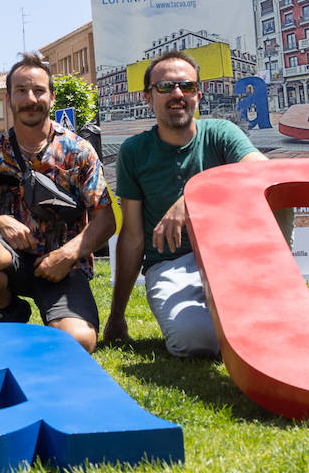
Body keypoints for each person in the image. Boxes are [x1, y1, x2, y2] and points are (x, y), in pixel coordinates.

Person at [103, 51, 274, 358]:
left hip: (227, 261)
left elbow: (263, 173)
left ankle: (274, 296)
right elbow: (131, 236)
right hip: (169, 265)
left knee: (275, 199)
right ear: (148, 97)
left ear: (199, 94)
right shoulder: (134, 151)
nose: (178, 94)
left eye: (187, 86)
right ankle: (247, 320)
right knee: (194, 342)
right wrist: (117, 316)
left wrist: (193, 197)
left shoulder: (221, 133)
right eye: (165, 87)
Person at [0, 53, 115, 354]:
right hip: (12, 263)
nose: (31, 98)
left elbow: (105, 220)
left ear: (52, 98)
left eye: (39, 90)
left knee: (78, 343)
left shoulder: (78, 151)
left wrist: (67, 255)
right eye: (21, 90)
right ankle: (10, 309)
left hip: (64, 267)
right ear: (9, 98)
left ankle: (57, 317)